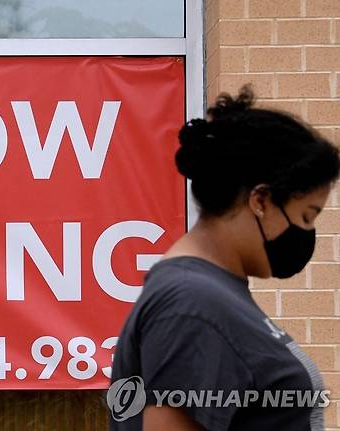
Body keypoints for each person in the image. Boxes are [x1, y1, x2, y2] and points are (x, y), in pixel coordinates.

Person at [109, 87, 340, 431]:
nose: (306, 232)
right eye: (306, 216)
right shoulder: (192, 302)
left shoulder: (213, 292)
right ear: (260, 200)